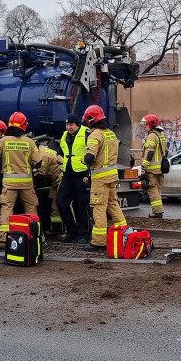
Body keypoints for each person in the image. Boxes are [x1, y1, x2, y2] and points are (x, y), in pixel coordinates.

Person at [0, 111, 40, 248]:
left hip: (9, 184)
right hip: (26, 184)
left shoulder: (3, 141)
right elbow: (38, 162)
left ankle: (4, 239)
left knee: (7, 209)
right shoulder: (30, 142)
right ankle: (35, 237)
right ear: (24, 125)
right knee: (31, 208)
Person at [82, 104, 126, 251]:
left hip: (100, 178)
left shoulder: (95, 135)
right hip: (112, 176)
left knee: (99, 208)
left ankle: (99, 241)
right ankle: (123, 233)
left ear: (90, 120)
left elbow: (89, 157)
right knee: (113, 204)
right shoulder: (111, 133)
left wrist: (81, 159)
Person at [56, 114, 90, 243]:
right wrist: (59, 157)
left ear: (77, 124)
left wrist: (88, 174)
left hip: (81, 175)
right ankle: (72, 231)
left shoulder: (86, 133)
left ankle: (84, 234)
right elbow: (60, 150)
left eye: (71, 124)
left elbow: (91, 154)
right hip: (68, 175)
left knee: (81, 206)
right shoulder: (65, 135)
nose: (68, 127)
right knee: (61, 203)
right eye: (67, 124)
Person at [140, 113, 167, 218]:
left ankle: (157, 212)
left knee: (152, 189)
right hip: (160, 169)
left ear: (151, 124)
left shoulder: (151, 136)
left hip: (152, 170)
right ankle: (158, 210)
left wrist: (143, 167)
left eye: (146, 125)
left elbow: (149, 153)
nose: (145, 127)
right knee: (158, 190)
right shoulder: (161, 135)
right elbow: (165, 151)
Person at [33, 142, 64, 232]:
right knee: (54, 205)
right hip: (57, 180)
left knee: (61, 204)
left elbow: (40, 176)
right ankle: (56, 229)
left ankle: (67, 230)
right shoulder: (42, 150)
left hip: (61, 179)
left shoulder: (42, 156)